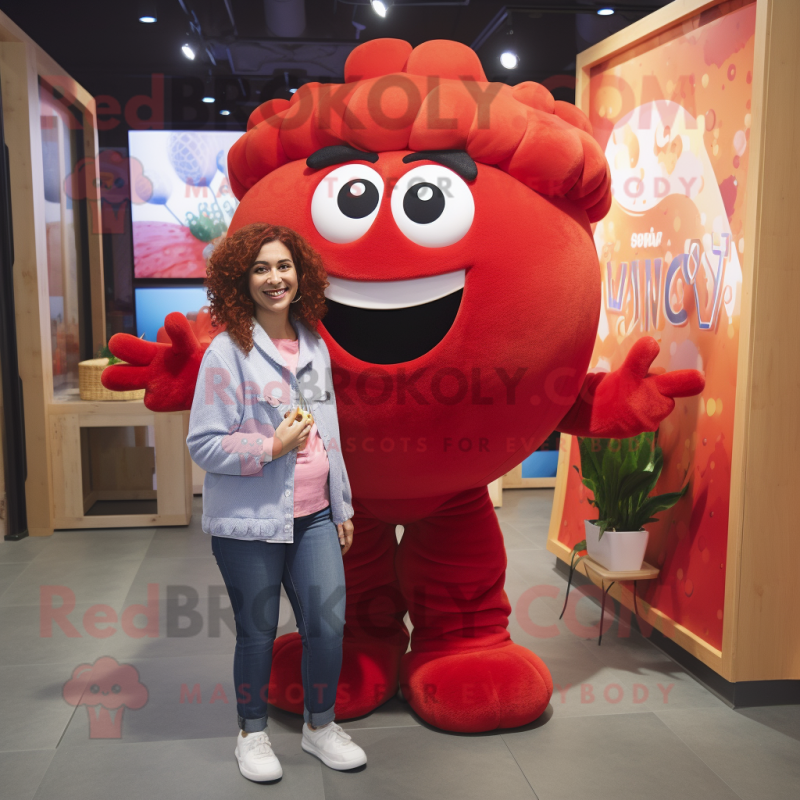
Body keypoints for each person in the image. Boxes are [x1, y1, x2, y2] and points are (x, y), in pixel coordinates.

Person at [187, 222, 366, 782]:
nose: (274, 277)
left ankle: (319, 727)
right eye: (261, 268)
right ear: (241, 280)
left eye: (283, 266)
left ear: (300, 274)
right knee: (258, 630)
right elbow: (205, 443)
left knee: (328, 625)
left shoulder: (313, 343)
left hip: (315, 513)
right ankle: (252, 733)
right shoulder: (226, 353)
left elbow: (327, 431)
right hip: (249, 523)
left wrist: (341, 505)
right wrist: (270, 446)